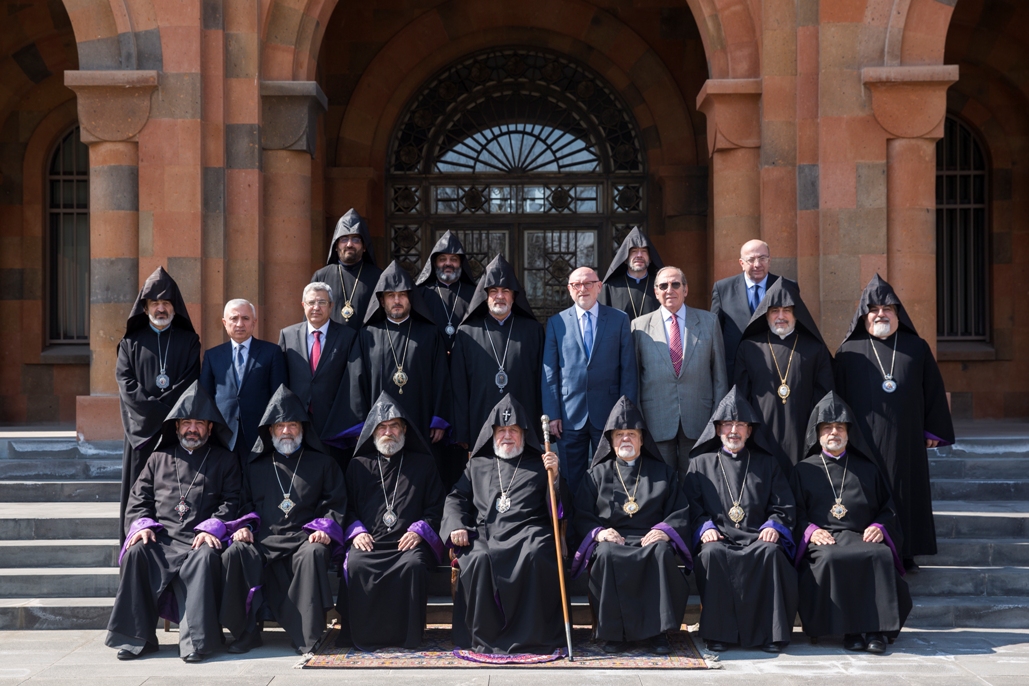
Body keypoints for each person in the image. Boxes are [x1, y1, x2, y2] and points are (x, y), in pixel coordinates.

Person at [106, 382, 240, 662]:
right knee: (137, 552)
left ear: (210, 427)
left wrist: (212, 527)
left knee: (204, 559)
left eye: (199, 423)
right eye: (187, 422)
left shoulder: (225, 460)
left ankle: (195, 643)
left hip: (198, 540)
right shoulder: (158, 459)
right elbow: (138, 500)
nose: (192, 428)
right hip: (162, 540)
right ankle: (137, 639)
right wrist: (142, 526)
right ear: (177, 426)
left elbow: (233, 501)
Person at [833, 274, 955, 569]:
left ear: (898, 314)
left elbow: (933, 391)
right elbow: (836, 399)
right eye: (873, 309)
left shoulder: (917, 348)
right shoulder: (848, 352)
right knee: (867, 493)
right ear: (864, 315)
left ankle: (907, 551)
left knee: (905, 490)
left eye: (888, 308)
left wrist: (932, 428)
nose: (881, 314)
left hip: (906, 439)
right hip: (863, 442)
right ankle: (870, 549)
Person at [220, 385, 348, 656]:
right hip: (264, 539)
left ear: (302, 428)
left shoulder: (323, 464)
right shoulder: (255, 466)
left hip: (304, 539)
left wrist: (323, 528)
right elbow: (244, 505)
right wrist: (243, 527)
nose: (287, 431)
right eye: (280, 426)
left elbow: (334, 504)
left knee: (314, 553)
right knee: (236, 552)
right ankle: (246, 633)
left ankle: (307, 635)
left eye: (292, 425)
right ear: (270, 431)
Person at [441, 394, 568, 655]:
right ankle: (484, 637)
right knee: (477, 559)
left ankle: (533, 637)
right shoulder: (477, 464)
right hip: (485, 534)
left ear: (523, 434)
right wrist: (456, 525)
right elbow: (456, 498)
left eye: (513, 430)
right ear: (492, 434)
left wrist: (555, 478)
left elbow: (558, 508)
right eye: (501, 431)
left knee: (535, 554)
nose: (507, 436)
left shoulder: (539, 464)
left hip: (529, 532)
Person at [791, 391, 911, 654]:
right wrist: (810, 530)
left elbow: (887, 509)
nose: (834, 432)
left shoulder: (867, 468)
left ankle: (876, 631)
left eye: (839, 427)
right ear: (818, 434)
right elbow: (793, 512)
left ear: (848, 433)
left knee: (879, 556)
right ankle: (850, 631)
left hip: (861, 535)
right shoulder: (803, 469)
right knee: (831, 559)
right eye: (827, 428)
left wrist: (879, 527)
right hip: (825, 539)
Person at [571, 396, 692, 655]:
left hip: (650, 539)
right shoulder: (595, 476)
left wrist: (664, 531)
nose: (626, 439)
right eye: (620, 434)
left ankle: (658, 634)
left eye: (631, 434)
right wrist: (600, 533)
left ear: (641, 439)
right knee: (604, 554)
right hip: (612, 541)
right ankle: (614, 634)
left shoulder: (663, 473)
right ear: (611, 441)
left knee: (661, 552)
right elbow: (581, 515)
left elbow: (679, 511)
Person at [685, 387, 798, 653]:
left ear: (750, 430)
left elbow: (783, 505)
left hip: (757, 538)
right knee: (711, 554)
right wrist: (704, 527)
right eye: (727, 424)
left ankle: (770, 635)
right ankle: (718, 634)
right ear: (717, 430)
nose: (733, 430)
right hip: (719, 539)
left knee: (772, 553)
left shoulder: (767, 463)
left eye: (740, 424)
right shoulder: (700, 464)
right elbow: (689, 506)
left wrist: (773, 525)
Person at [336, 392, 446, 649]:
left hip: (407, 545)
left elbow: (438, 507)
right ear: (373, 433)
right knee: (356, 564)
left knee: (414, 566)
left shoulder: (424, 465)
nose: (388, 432)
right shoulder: (358, 466)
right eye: (382, 427)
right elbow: (346, 509)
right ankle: (362, 636)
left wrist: (420, 531)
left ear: (404, 430)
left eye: (394, 426)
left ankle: (408, 637)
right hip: (370, 543)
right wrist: (357, 532)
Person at [116, 266, 202, 534]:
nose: (161, 308)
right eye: (155, 303)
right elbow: (125, 383)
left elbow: (189, 382)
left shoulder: (189, 341)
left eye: (166, 302)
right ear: (145, 308)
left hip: (174, 432)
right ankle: (134, 553)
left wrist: (167, 419)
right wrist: (157, 414)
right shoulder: (130, 342)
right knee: (138, 495)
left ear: (174, 306)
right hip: (141, 434)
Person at [542, 266, 637, 493]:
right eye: (576, 285)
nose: (582, 289)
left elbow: (628, 370)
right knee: (572, 478)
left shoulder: (619, 319)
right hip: (569, 415)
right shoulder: (557, 322)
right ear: (569, 290)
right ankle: (575, 527)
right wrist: (553, 413)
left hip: (609, 413)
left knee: (610, 474)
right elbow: (549, 372)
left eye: (587, 283)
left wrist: (625, 414)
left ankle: (606, 525)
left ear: (598, 286)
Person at [631, 266, 727, 476]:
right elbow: (635, 379)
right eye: (663, 286)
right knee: (661, 481)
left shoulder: (709, 322)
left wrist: (718, 419)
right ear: (656, 292)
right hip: (656, 418)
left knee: (697, 481)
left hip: (699, 419)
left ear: (686, 290)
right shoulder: (638, 327)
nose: (669, 290)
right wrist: (639, 421)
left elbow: (719, 376)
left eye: (675, 284)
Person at [349, 261, 452, 448]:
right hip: (380, 426)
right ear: (381, 300)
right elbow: (357, 381)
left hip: (421, 418)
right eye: (391, 295)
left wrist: (439, 418)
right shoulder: (368, 335)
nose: (397, 301)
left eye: (402, 295)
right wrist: (360, 424)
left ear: (410, 299)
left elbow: (441, 378)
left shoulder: (429, 334)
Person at [450, 253, 545, 457]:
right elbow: (459, 386)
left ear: (513, 295)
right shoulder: (467, 333)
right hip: (480, 419)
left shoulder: (532, 331)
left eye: (505, 290)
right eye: (493, 291)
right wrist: (463, 432)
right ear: (485, 296)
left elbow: (541, 382)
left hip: (524, 420)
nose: (499, 296)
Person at [734, 277, 833, 470]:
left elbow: (824, 395)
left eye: (787, 310)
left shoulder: (814, 348)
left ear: (796, 314)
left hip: (802, 431)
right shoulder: (749, 347)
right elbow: (740, 396)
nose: (781, 316)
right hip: (761, 434)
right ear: (766, 314)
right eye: (774, 311)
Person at [278, 282, 360, 462]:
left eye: (322, 302)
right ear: (303, 305)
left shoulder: (348, 336)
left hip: (334, 420)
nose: (316, 307)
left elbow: (354, 380)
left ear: (331, 306)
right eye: (311, 303)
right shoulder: (287, 334)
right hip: (298, 419)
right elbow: (281, 380)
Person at [200, 299, 286, 456]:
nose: (239, 324)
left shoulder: (271, 352)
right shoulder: (213, 356)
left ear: (254, 322)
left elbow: (278, 395)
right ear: (225, 322)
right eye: (234, 318)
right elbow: (205, 398)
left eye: (245, 318)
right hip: (222, 435)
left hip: (259, 435)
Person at [711, 239, 784, 382]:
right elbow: (714, 332)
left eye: (762, 258)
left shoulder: (785, 287)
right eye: (751, 259)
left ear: (770, 260)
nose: (757, 264)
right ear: (741, 263)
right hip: (735, 371)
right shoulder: (723, 289)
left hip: (776, 370)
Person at [311, 209, 382, 329]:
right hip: (332, 346)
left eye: (356, 239)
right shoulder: (321, 277)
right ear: (336, 245)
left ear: (364, 247)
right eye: (344, 239)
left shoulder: (378, 277)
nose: (349, 244)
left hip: (366, 345)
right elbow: (311, 317)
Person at [414, 230, 476, 354]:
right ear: (435, 263)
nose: (448, 263)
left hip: (465, 357)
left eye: (454, 259)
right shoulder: (421, 294)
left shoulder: (474, 294)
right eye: (442, 259)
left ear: (460, 264)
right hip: (431, 358)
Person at [599, 227, 664, 319]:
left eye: (644, 251)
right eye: (634, 251)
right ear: (625, 259)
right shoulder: (609, 288)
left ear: (650, 259)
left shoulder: (662, 286)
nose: (639, 255)